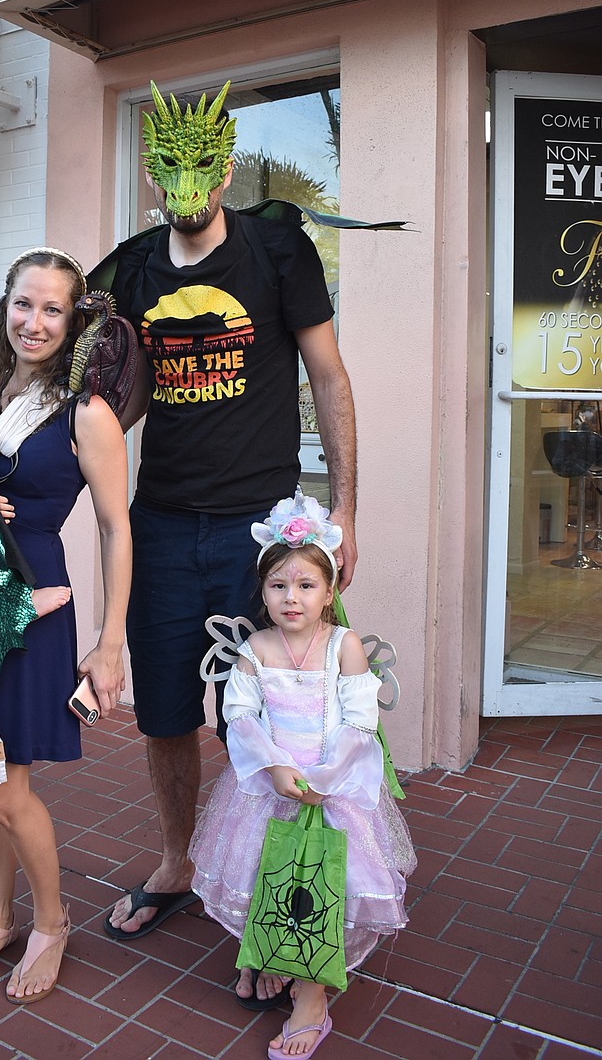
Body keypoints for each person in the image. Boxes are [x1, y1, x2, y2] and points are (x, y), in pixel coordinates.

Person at [100, 82, 357, 1009]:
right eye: (170, 168)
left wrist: (346, 511)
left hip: (263, 529)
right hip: (165, 523)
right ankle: (178, 863)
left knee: (276, 720)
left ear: (225, 168)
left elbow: (327, 376)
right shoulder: (135, 268)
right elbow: (124, 397)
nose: (188, 184)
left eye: (202, 166)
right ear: (151, 174)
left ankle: (272, 909)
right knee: (168, 715)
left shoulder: (279, 249)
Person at [0, 247, 132, 1002]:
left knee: (3, 788)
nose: (34, 322)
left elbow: (115, 527)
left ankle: (51, 922)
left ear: (75, 320)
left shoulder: (86, 412)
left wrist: (110, 642)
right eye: (22, 303)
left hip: (35, 599)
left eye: (52, 309)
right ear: (4, 305)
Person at [190, 493, 415, 1058]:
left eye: (306, 585)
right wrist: (274, 763)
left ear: (330, 592)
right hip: (270, 787)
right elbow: (241, 716)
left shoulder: (344, 647)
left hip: (332, 789)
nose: (292, 597)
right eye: (278, 586)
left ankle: (312, 998)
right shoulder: (256, 648)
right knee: (265, 873)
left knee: (321, 886)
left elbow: (360, 723)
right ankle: (272, 955)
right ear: (262, 591)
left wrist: (326, 777)